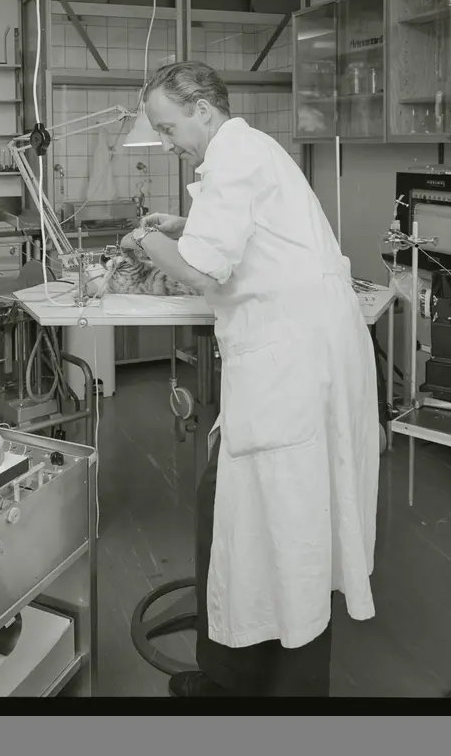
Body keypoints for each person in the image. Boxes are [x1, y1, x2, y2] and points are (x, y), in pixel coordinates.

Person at [129, 61, 379, 698]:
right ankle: (237, 675)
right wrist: (183, 228)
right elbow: (249, 237)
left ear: (202, 110)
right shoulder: (252, 149)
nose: (166, 143)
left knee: (275, 520)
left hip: (290, 369)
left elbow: (203, 274)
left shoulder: (234, 155)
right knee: (265, 517)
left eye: (168, 128)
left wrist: (145, 243)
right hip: (306, 357)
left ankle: (261, 688)